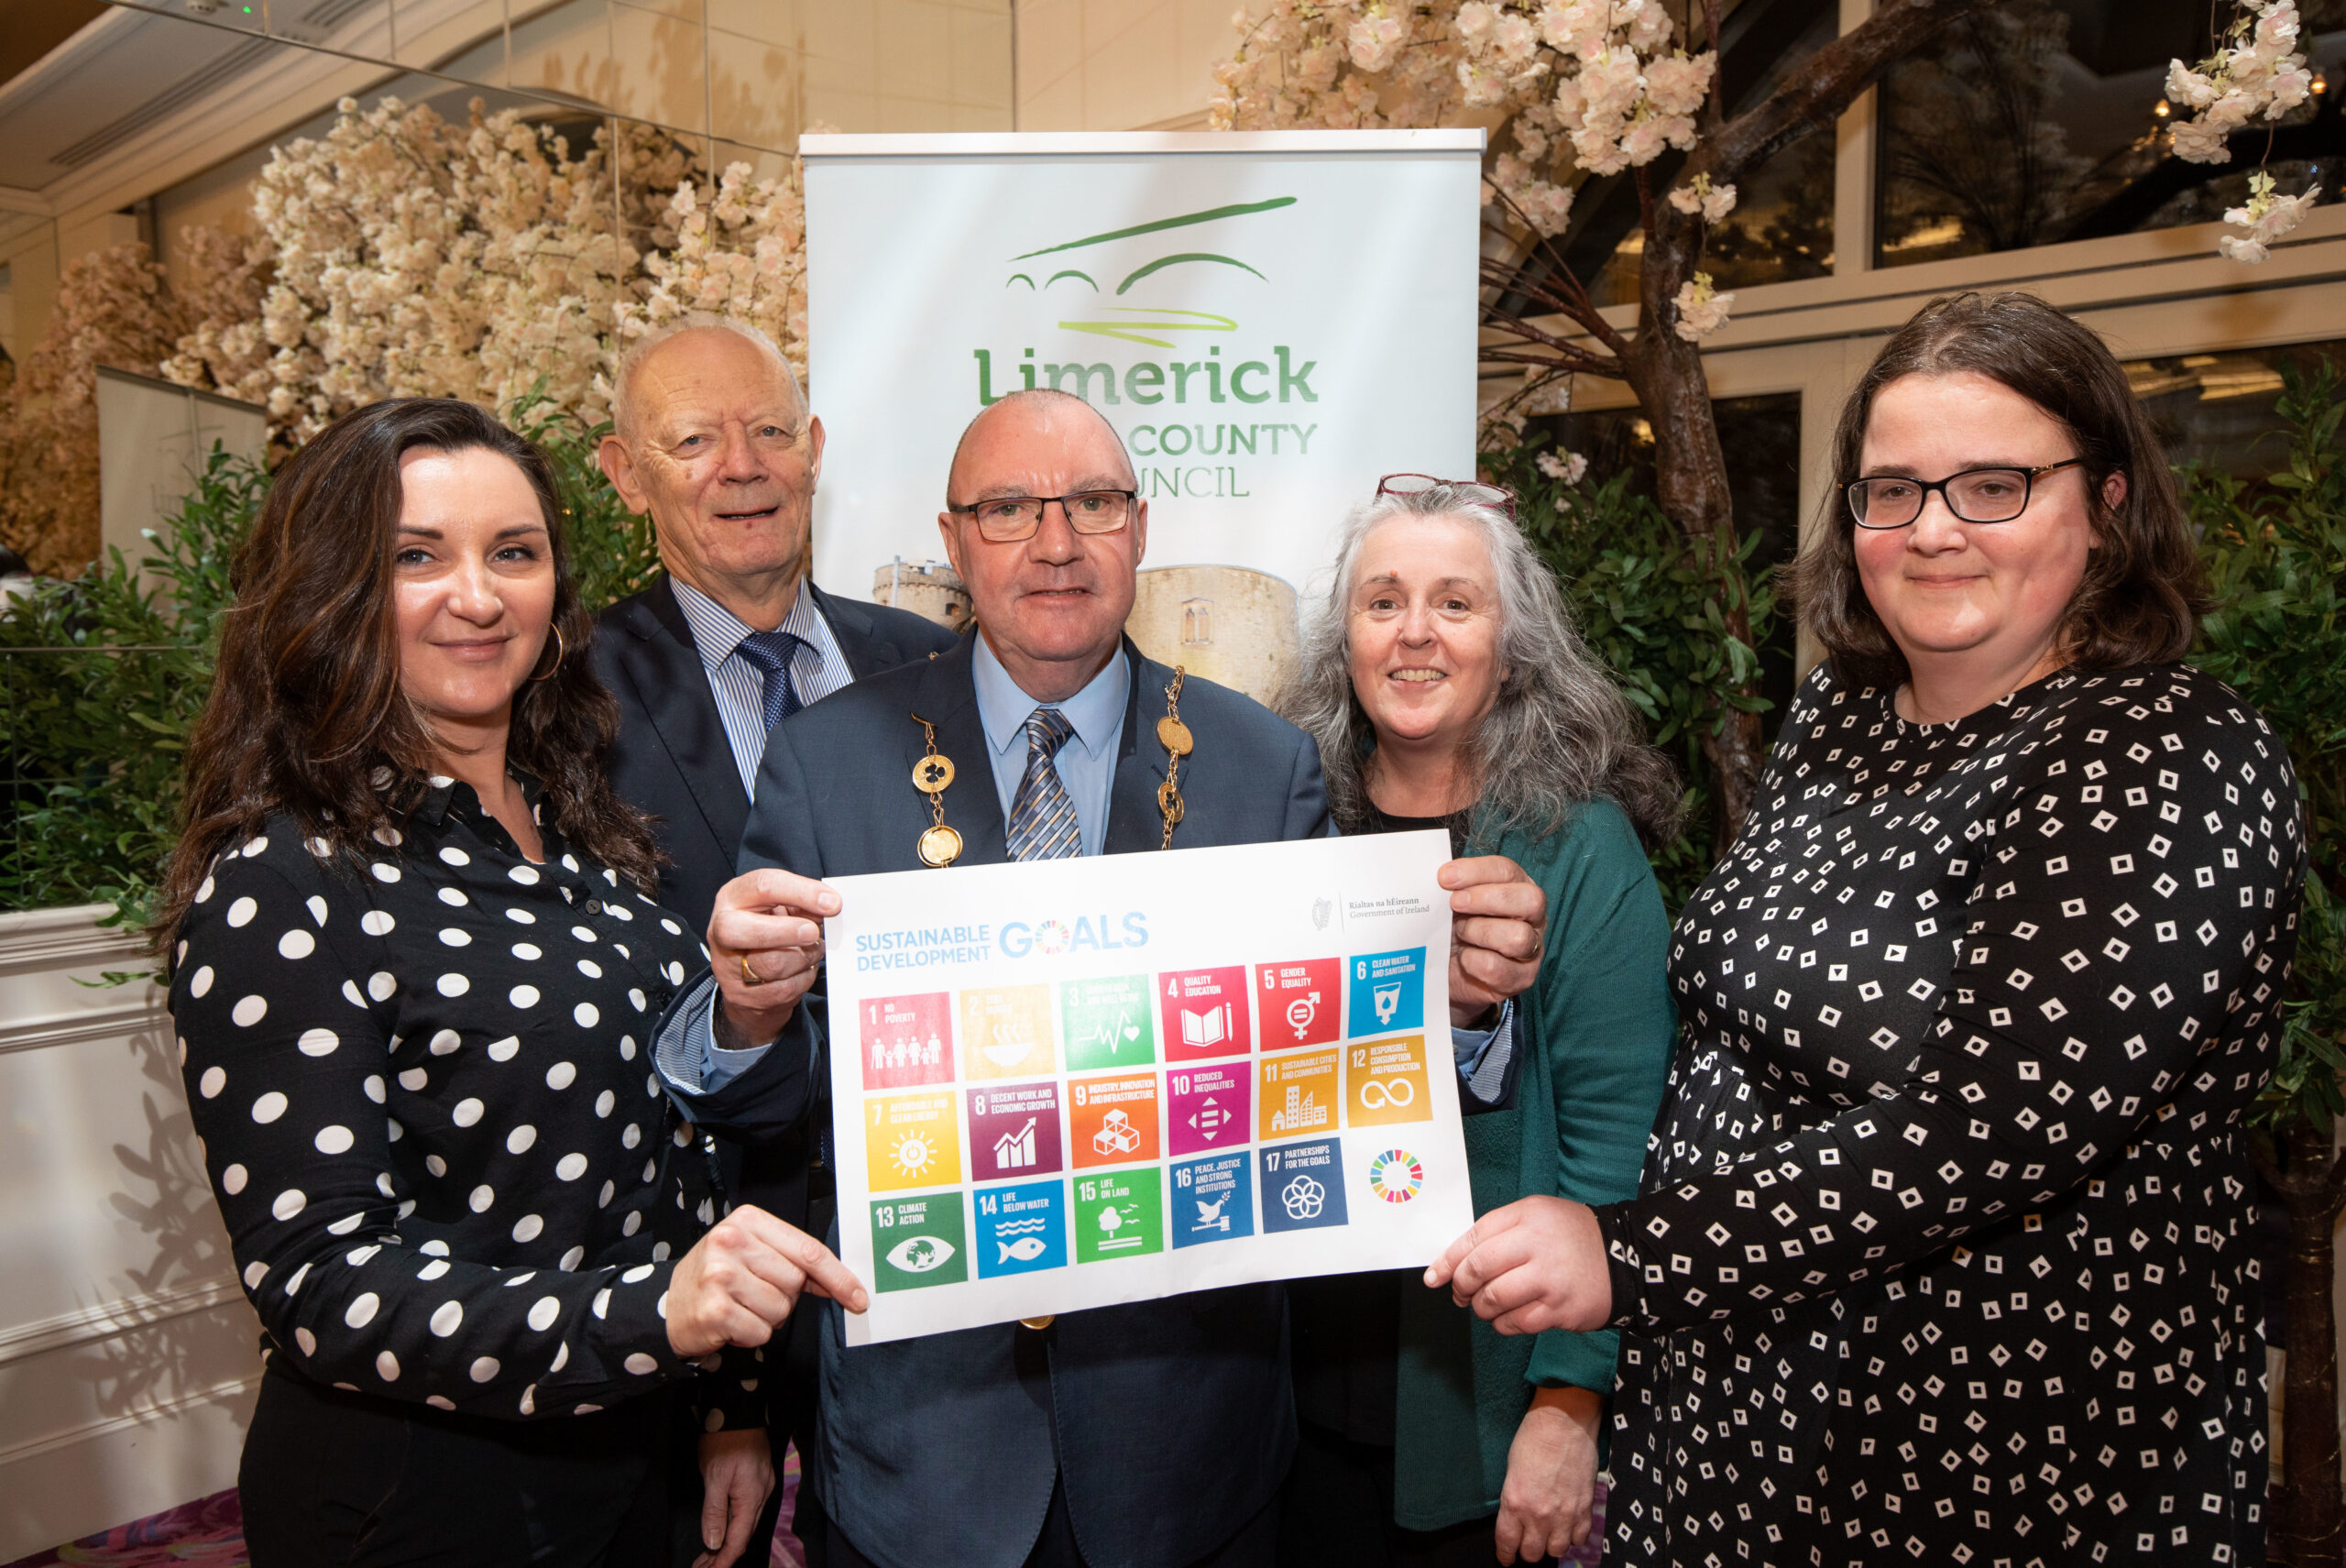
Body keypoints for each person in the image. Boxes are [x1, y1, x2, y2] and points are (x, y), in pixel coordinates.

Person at [1428, 291, 2308, 1566]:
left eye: (1993, 484)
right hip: (1735, 1438)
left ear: (2109, 500)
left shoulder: (2170, 753)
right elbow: (1739, 1011)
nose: (1935, 529)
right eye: (1892, 491)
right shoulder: (1844, 716)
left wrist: (1630, 1251)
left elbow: (1985, 1126)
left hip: (2000, 1473)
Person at [648, 389, 1551, 1568]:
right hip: (927, 1460)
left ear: (1141, 527)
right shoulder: (829, 760)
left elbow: (1329, 1068)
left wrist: (1464, 1005)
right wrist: (748, 1013)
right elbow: (763, 1114)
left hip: (1187, 1457)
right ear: (956, 537)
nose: (1057, 541)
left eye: (1094, 503)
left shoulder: (1259, 763)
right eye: (1010, 508)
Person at [159, 398, 861, 1568]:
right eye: (416, 557)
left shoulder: (580, 829)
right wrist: (656, 1318)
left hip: (637, 1459)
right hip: (431, 1500)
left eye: (515, 553)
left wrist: (726, 1398)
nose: (479, 597)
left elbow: (667, 1151)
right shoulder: (286, 880)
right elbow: (321, 1281)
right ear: (331, 589)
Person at [591, 314, 954, 1562]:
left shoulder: (932, 664)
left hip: (926, 1248)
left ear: (812, 449)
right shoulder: (561, 697)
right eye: (692, 439)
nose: (739, 465)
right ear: (626, 473)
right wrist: (721, 1393)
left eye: (765, 431)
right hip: (690, 1270)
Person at [1274, 477, 1681, 1567]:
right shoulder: (1279, 827)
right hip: (1277, 1411)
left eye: (1455, 603)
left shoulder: (1579, 845)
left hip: (1470, 1411)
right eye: (1382, 602)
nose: (1415, 633)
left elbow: (1615, 1147)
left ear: (1513, 648)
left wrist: (1569, 1402)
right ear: (1343, 644)